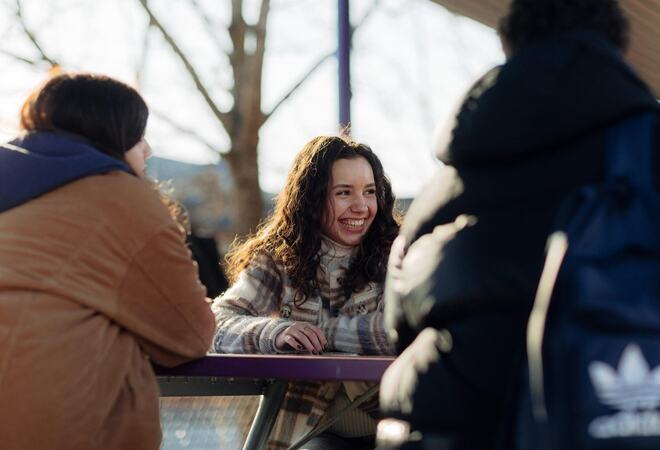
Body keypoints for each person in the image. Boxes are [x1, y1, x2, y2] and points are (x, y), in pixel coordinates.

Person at [378, 1, 660, 449]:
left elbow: (400, 322)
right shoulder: (643, 155)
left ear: (511, 45)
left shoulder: (443, 188)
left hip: (451, 430)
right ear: (618, 47)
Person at [0, 73, 216, 450]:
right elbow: (191, 335)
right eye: (138, 134)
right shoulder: (124, 199)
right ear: (112, 133)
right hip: (58, 426)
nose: (147, 148)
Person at [212, 135, 400, 449]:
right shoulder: (278, 258)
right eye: (344, 192)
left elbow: (402, 329)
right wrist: (273, 332)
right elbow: (215, 322)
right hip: (307, 432)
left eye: (370, 192)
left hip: (396, 425)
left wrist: (322, 332)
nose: (361, 206)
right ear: (311, 198)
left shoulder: (399, 254)